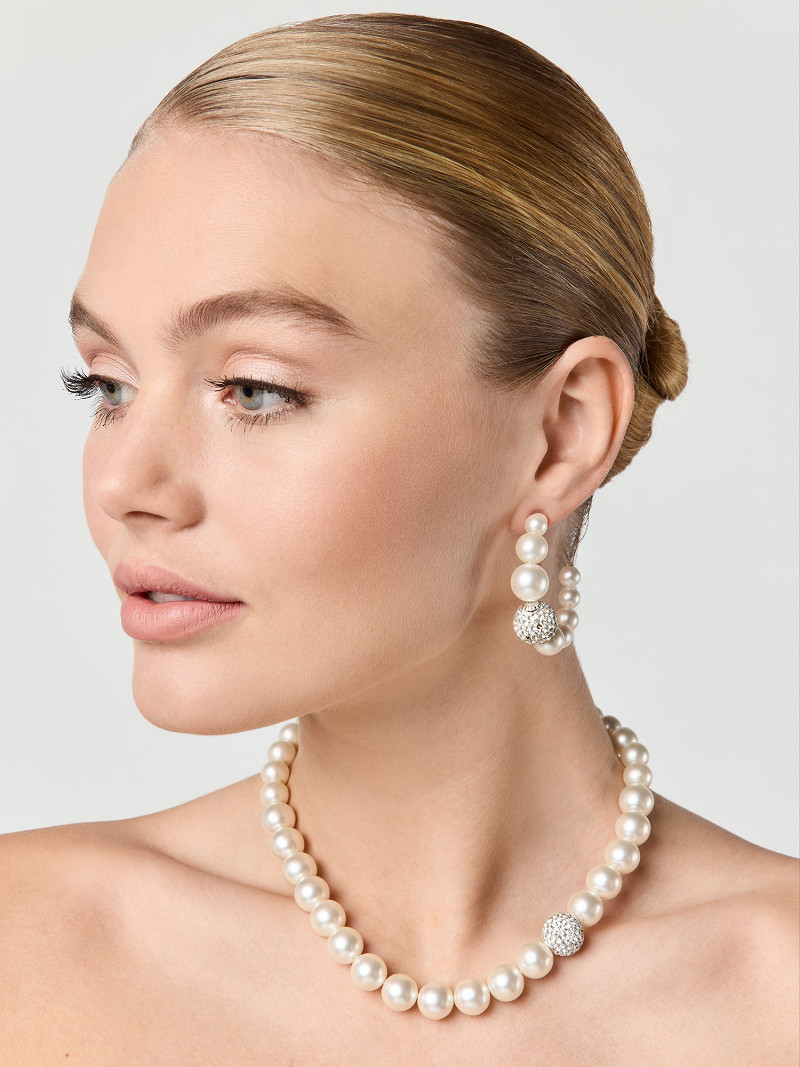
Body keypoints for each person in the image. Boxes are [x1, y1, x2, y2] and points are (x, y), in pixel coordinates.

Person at [2, 12, 797, 1062]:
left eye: (254, 388)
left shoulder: (775, 991)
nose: (123, 484)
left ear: (561, 433)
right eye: (106, 385)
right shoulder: (27, 948)